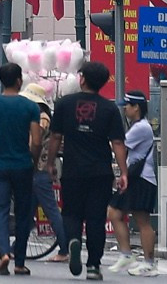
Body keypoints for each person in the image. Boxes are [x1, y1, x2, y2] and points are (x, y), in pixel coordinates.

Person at [44, 61, 127, 282]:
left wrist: (50, 163)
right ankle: (93, 265)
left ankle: (73, 240)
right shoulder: (109, 109)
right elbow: (117, 142)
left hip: (73, 170)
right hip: (100, 172)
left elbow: (55, 137)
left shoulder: (64, 104)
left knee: (71, 212)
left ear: (82, 79)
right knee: (96, 219)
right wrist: (124, 173)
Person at [0, 62, 43, 275]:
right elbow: (36, 140)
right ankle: (20, 262)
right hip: (22, 165)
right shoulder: (30, 107)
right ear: (19, 80)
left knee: (0, 209)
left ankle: (4, 251)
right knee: (24, 212)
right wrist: (32, 160)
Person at [107, 94, 157, 277]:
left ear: (137, 107)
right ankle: (126, 254)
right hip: (136, 178)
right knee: (115, 212)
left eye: (128, 105)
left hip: (142, 179)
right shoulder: (138, 127)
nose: (125, 108)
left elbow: (120, 145)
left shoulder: (141, 128)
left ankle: (149, 263)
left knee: (142, 220)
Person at [23, 82, 70, 265]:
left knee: (51, 210)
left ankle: (64, 249)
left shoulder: (42, 118)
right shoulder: (40, 116)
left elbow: (34, 141)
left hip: (39, 168)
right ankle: (15, 247)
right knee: (27, 211)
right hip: (37, 169)